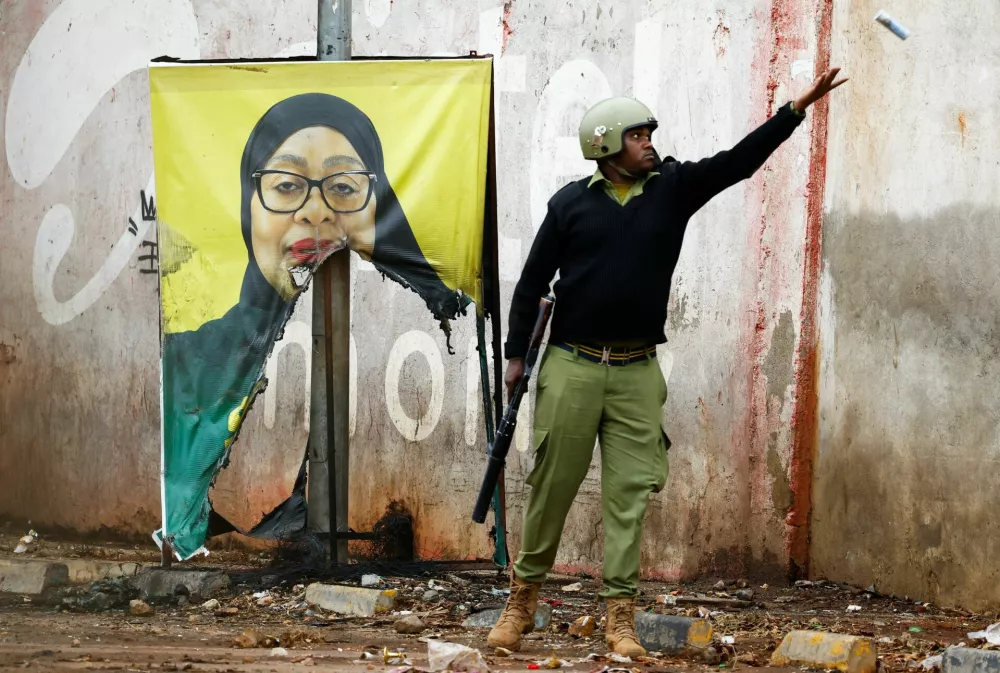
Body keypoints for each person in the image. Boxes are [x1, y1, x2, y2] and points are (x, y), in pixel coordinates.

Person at [488, 68, 848, 655]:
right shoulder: (569, 206)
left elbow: (737, 162)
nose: (649, 140)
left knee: (629, 495)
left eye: (650, 132)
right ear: (605, 146)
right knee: (552, 486)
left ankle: (620, 622)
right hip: (572, 366)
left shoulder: (674, 188)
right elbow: (530, 284)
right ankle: (521, 603)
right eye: (636, 135)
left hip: (637, 371)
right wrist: (514, 358)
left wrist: (793, 110)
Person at [157, 92, 466, 560]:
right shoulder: (192, 356)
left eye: (343, 187)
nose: (316, 213)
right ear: (248, 204)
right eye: (285, 186)